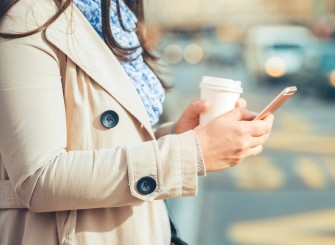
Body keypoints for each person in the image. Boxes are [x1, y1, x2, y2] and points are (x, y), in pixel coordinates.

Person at [0, 0, 274, 244]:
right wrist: (191, 152)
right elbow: (39, 179)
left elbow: (97, 139)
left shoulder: (117, 18)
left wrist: (175, 135)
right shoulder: (30, 16)